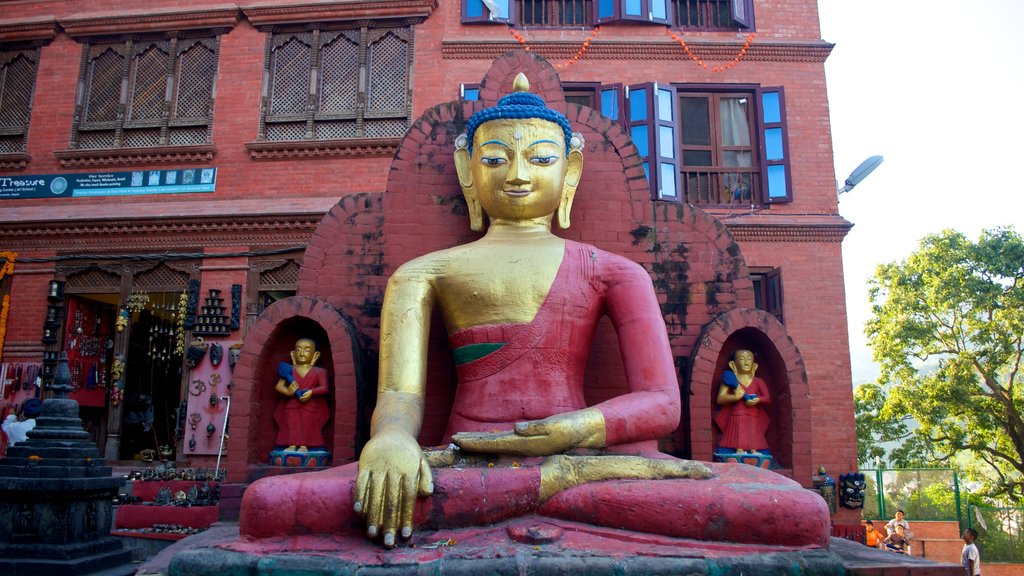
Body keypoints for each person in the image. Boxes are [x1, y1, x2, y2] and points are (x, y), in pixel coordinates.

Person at [240, 73, 830, 550]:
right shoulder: (424, 273)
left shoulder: (614, 270)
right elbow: (400, 397)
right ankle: (556, 487)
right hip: (460, 463)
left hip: (579, 450)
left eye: (540, 159)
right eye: (495, 160)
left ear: (568, 171)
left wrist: (574, 432)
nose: (518, 174)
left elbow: (662, 405)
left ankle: (559, 479)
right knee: (269, 506)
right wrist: (390, 441)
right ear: (468, 171)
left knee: (796, 512)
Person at [273, 338, 330, 451]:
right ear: (293, 354)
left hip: (310, 404)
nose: (302, 353)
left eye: (307, 350)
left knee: (308, 422)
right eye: (298, 350)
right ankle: (292, 444)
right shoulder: (290, 370)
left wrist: (311, 392)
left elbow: (324, 388)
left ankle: (305, 445)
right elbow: (278, 386)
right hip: (292, 403)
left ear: (315, 355)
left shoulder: (319, 372)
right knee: (292, 423)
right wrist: (288, 392)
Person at [714, 349, 772, 454]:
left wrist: (758, 399)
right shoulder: (730, 379)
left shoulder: (759, 381)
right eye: (741, 359)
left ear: (754, 365)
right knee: (738, 433)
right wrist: (735, 397)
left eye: (749, 359)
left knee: (753, 433)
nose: (746, 362)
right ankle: (738, 449)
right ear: (733, 364)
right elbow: (720, 399)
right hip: (736, 414)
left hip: (753, 414)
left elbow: (767, 398)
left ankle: (754, 450)